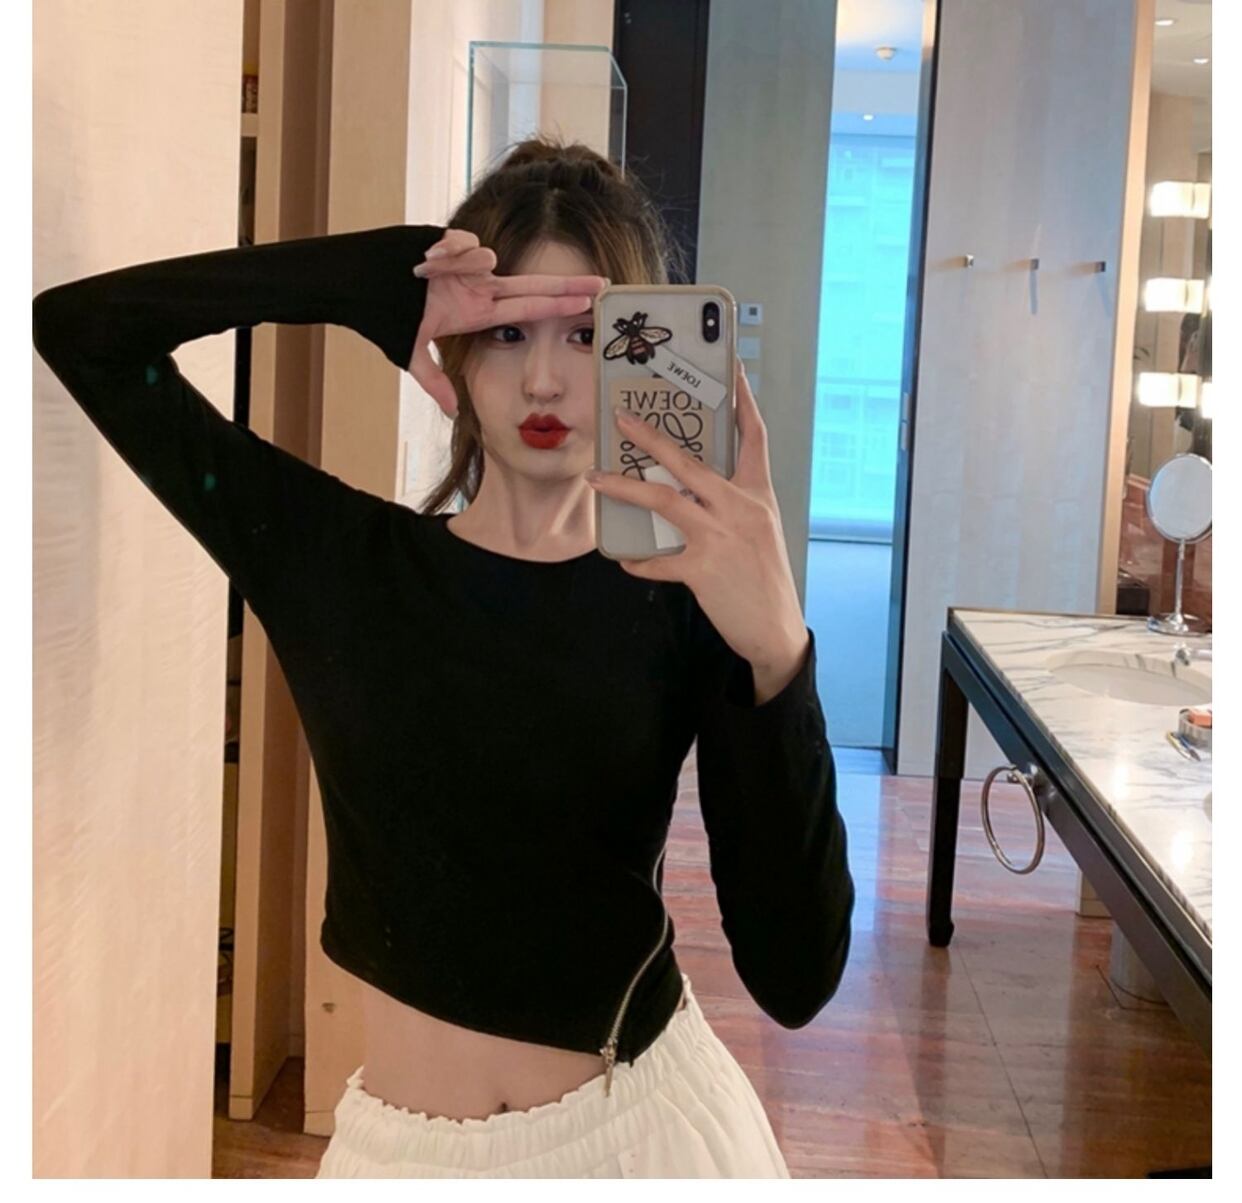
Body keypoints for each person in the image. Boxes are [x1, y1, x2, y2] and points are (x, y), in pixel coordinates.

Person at [32, 136, 854, 1178]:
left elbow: (796, 978)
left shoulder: (684, 599)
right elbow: (83, 331)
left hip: (640, 1135)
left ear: (637, 350)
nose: (544, 377)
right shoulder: (336, 564)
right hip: (397, 1157)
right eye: (506, 330)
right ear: (453, 342)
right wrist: (370, 280)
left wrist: (778, 649)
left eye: (584, 333)